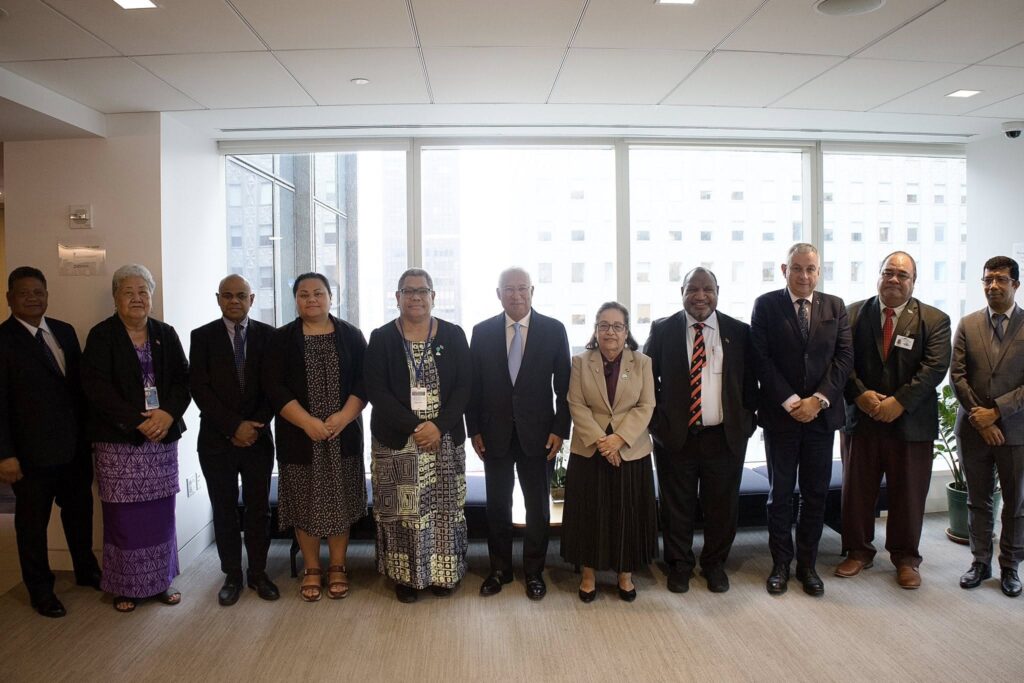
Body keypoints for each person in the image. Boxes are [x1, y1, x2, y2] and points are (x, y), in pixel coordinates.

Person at [81, 264, 191, 613]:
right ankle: (124, 586)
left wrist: (167, 414)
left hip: (162, 440)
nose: (137, 298)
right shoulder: (102, 336)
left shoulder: (165, 333)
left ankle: (160, 582)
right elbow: (96, 388)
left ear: (152, 296)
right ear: (116, 298)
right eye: (129, 292)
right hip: (119, 443)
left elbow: (183, 381)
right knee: (123, 517)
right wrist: (136, 422)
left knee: (161, 515)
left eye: (143, 291)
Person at [837, 252, 950, 589]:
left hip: (911, 424)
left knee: (908, 493)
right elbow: (842, 360)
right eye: (888, 272)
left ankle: (905, 558)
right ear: (878, 275)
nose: (894, 280)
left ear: (913, 282)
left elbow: (933, 369)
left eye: (903, 275)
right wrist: (861, 394)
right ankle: (857, 551)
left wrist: (898, 402)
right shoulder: (852, 314)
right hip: (863, 418)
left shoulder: (935, 319)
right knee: (857, 491)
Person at [643, 268, 756, 595]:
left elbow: (750, 384)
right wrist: (658, 425)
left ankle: (714, 564)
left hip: (725, 437)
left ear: (717, 291)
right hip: (676, 438)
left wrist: (746, 423)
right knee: (676, 506)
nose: (700, 296)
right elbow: (647, 380)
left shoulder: (738, 332)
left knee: (722, 507)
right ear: (682, 292)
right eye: (693, 289)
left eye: (707, 289)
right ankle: (679, 566)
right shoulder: (663, 330)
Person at [751, 243, 853, 597]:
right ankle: (780, 564)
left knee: (815, 494)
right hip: (782, 417)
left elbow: (843, 359)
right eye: (797, 268)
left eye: (811, 269)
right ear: (784, 269)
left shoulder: (835, 306)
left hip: (821, 419)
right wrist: (794, 402)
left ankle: (807, 565)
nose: (804, 276)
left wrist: (819, 400)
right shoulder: (766, 305)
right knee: (779, 494)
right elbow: (761, 358)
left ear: (819, 271)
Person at [0, 267, 102, 618]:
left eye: (38, 292)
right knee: (32, 526)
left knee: (80, 515)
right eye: (24, 292)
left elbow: (79, 390)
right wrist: (5, 455)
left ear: (47, 295)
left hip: (73, 449)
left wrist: (89, 437)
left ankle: (86, 570)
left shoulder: (64, 332)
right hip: (30, 456)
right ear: (9, 298)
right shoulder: (3, 340)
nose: (32, 298)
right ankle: (40, 590)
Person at [365, 268, 472, 603]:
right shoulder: (382, 337)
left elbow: (465, 387)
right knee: (401, 511)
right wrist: (416, 427)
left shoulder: (453, 335)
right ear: (397, 298)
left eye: (422, 291)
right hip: (397, 441)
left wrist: (438, 426)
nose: (415, 297)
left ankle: (444, 574)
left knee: (444, 508)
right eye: (407, 291)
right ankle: (407, 578)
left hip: (444, 440)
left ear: (433, 297)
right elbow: (375, 390)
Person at [467, 267, 571, 600]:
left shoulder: (554, 331)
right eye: (508, 289)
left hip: (539, 435)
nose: (516, 295)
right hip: (494, 434)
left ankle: (534, 572)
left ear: (532, 291)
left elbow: (564, 388)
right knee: (497, 504)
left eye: (522, 288)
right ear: (498, 294)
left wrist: (560, 430)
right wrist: (475, 429)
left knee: (537, 506)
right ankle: (500, 570)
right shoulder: (481, 332)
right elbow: (474, 388)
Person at [263, 273, 368, 602]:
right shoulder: (281, 339)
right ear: (295, 299)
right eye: (304, 294)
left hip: (342, 433)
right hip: (299, 434)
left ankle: (337, 565)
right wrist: (307, 421)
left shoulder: (351, 335)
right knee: (303, 499)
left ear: (330, 297)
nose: (312, 299)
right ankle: (312, 567)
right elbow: (273, 386)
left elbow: (364, 382)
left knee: (342, 498)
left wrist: (342, 418)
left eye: (319, 293)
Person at [189, 274, 279, 606]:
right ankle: (232, 575)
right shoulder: (202, 337)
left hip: (257, 438)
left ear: (252, 299)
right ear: (218, 299)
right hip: (216, 440)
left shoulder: (269, 337)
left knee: (258, 510)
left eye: (241, 295)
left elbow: (274, 386)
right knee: (225, 509)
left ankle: (258, 573)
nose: (234, 301)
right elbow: (200, 388)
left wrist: (253, 425)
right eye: (227, 296)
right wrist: (233, 426)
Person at [561, 302, 657, 602]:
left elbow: (646, 405)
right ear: (595, 329)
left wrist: (619, 439)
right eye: (604, 325)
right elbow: (575, 404)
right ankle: (588, 575)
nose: (610, 332)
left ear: (626, 331)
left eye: (617, 326)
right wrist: (603, 441)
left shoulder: (641, 362)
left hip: (630, 450)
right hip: (590, 450)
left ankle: (625, 575)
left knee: (626, 513)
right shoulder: (581, 361)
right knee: (590, 514)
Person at [951, 256, 1024, 598]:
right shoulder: (967, 323)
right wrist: (980, 418)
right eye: (987, 280)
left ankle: (1010, 566)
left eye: (1000, 280)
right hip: (973, 430)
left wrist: (996, 412)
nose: (993, 286)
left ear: (1016, 285)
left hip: (1016, 430)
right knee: (978, 500)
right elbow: (958, 376)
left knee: (1016, 502)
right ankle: (980, 562)